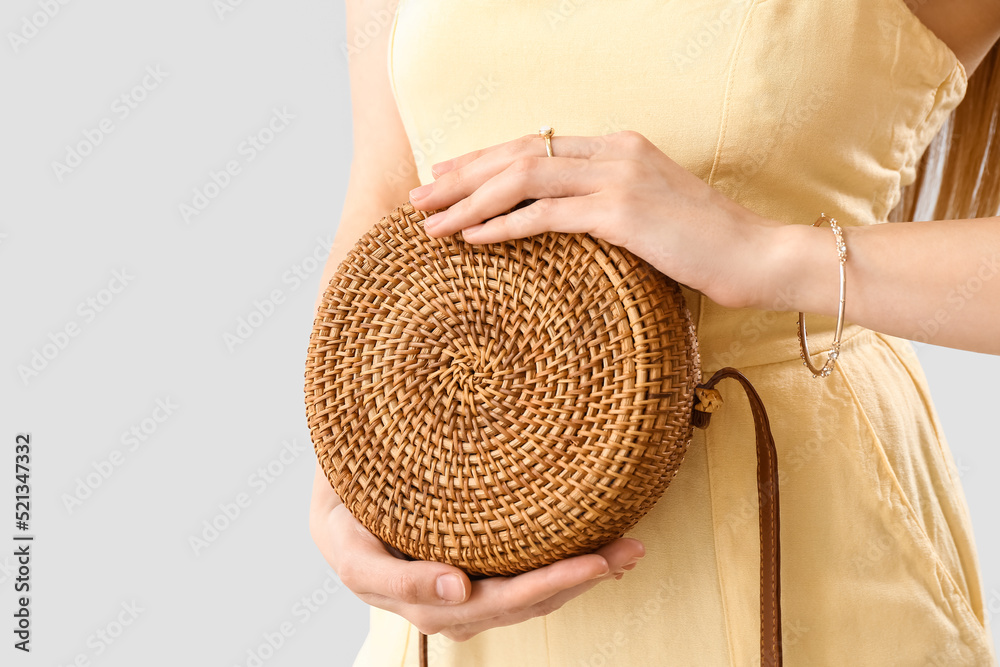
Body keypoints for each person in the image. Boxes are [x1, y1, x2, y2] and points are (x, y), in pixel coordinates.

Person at [310, 0, 1000, 664]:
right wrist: (337, 496)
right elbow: (384, 194)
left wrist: (770, 256)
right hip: (466, 551)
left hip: (798, 553)